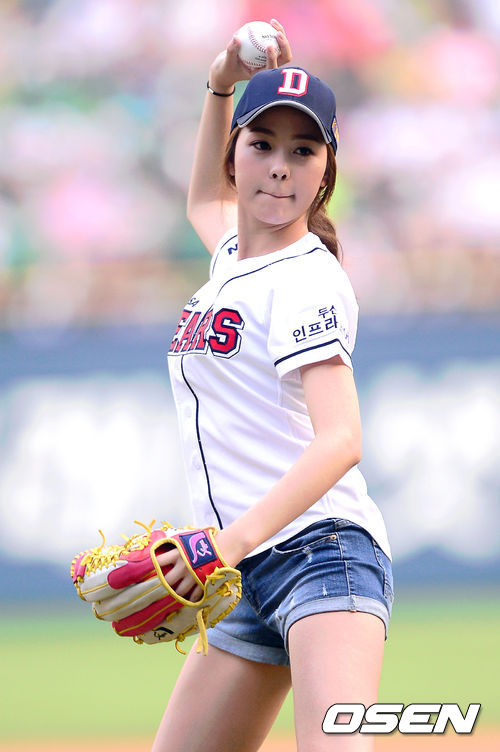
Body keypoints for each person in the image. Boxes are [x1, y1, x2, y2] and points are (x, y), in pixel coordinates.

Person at [152, 19, 393, 752]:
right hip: (243, 573)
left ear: (326, 173)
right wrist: (219, 82)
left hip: (323, 557)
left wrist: (229, 542)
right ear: (234, 155)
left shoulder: (307, 278)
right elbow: (203, 200)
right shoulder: (232, 255)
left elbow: (342, 440)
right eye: (261, 144)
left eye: (303, 150)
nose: (280, 168)